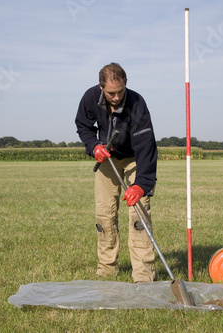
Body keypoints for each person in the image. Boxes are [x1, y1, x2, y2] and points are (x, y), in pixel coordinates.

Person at [75, 62, 158, 283]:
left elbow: (146, 146)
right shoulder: (90, 98)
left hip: (134, 159)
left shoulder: (137, 102)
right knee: (105, 214)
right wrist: (94, 146)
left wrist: (141, 184)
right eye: (111, 93)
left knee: (139, 214)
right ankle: (106, 269)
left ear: (125, 84)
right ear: (101, 87)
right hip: (107, 158)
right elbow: (83, 126)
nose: (117, 96)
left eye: (121, 91)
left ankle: (143, 275)